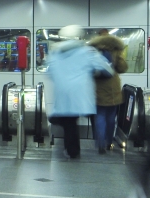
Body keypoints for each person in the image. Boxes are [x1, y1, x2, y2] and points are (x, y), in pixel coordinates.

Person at [47, 25, 114, 159]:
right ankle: (94, 144)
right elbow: (106, 67)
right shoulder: (87, 51)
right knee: (90, 117)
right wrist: (96, 71)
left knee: (69, 122)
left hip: (63, 93)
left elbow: (50, 72)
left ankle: (72, 150)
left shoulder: (55, 52)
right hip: (81, 93)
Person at [88, 29, 128, 154]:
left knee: (99, 115)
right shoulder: (116, 49)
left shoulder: (92, 49)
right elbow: (122, 68)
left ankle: (100, 143)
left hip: (97, 87)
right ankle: (108, 143)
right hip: (113, 88)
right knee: (111, 118)